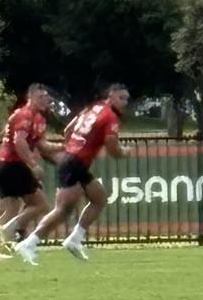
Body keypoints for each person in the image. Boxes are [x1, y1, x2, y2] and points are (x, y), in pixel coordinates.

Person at [13, 84, 132, 265]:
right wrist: (124, 152)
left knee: (99, 199)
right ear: (111, 96)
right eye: (121, 98)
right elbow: (113, 148)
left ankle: (75, 239)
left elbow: (68, 129)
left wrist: (74, 145)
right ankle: (29, 244)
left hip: (75, 161)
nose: (125, 102)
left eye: (126, 99)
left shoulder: (94, 108)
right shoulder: (110, 116)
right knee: (62, 210)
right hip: (74, 163)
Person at [0, 84, 61, 262]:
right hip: (13, 164)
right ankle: (7, 231)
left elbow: (43, 145)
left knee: (6, 210)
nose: (46, 100)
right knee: (41, 205)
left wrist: (64, 146)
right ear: (31, 98)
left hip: (6, 164)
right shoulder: (25, 114)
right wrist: (33, 164)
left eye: (47, 97)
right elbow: (19, 142)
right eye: (41, 97)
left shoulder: (39, 119)